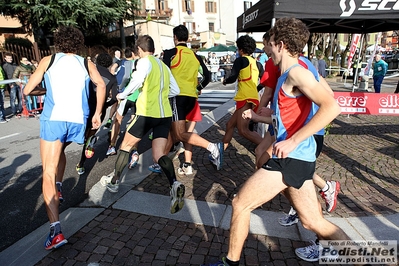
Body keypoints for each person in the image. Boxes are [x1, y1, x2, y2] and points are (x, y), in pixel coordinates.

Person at [205, 17, 350, 266]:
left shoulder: (296, 72)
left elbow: (331, 106)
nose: (266, 50)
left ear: (280, 44)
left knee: (240, 203)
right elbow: (284, 112)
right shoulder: (285, 75)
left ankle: (230, 263)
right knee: (312, 222)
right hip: (298, 161)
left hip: (291, 158)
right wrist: (259, 115)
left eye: (269, 45)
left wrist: (293, 140)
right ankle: (363, 259)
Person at [23, 26, 106, 250]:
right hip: (78, 120)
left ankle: (56, 231)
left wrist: (45, 92)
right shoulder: (85, 62)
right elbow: (101, 84)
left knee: (47, 171)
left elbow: (27, 90)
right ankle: (59, 186)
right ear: (78, 43)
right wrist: (97, 113)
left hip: (55, 118)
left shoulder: (48, 61)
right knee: (59, 151)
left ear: (58, 43)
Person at [99, 35, 184, 214]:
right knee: (159, 155)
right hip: (164, 115)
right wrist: (160, 96)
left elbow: (136, 81)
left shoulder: (144, 62)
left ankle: (114, 182)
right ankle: (174, 184)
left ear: (139, 49)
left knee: (126, 146)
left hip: (146, 113)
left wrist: (122, 95)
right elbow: (175, 90)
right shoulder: (163, 66)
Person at [162, 25, 224, 171]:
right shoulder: (195, 55)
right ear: (187, 38)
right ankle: (161, 160)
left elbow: (163, 75)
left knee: (179, 133)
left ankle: (212, 147)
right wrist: (198, 88)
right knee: (174, 130)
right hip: (192, 97)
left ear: (175, 37)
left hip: (177, 97)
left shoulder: (170, 53)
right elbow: (207, 76)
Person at [75, 53, 118, 175]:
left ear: (97, 61)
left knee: (82, 131)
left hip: (84, 106)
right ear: (109, 64)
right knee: (90, 135)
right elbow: (115, 98)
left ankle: (81, 136)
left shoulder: (88, 70)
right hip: (100, 109)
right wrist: (106, 104)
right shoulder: (112, 78)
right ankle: (81, 164)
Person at [221, 35, 264, 151]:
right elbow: (264, 81)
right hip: (252, 97)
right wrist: (255, 89)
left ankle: (268, 147)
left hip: (244, 97)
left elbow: (233, 77)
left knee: (243, 130)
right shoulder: (257, 63)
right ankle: (220, 152)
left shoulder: (240, 60)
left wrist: (225, 81)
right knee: (229, 124)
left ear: (240, 49)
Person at [106, 47, 137, 156]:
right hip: (137, 97)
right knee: (134, 122)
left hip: (126, 95)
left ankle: (112, 145)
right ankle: (134, 150)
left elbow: (123, 75)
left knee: (118, 120)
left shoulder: (124, 62)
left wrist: (119, 86)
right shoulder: (140, 63)